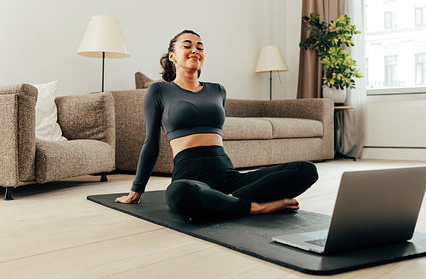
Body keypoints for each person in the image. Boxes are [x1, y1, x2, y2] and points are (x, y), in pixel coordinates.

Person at [115, 29, 318, 221]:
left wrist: (228, 194)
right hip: (191, 177)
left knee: (306, 170)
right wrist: (136, 191)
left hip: (229, 176)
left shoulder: (218, 90)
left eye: (200, 47)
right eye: (187, 46)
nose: (195, 50)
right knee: (180, 193)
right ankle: (256, 207)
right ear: (172, 56)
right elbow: (151, 143)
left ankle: (226, 200)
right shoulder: (159, 91)